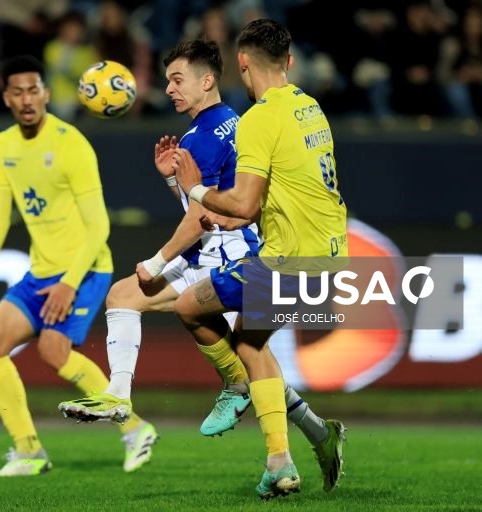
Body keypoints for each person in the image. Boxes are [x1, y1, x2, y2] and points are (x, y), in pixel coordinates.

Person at [58, 39, 345, 491]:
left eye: (177, 80)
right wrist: (175, 180)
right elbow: (205, 205)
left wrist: (155, 260)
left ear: (207, 80)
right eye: (168, 80)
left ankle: (268, 432)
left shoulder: (207, 136)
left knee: (250, 355)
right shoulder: (230, 122)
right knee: (125, 298)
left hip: (232, 253)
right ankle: (120, 394)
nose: (170, 90)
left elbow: (200, 218)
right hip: (229, 248)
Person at [0, 55, 158, 477]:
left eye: (34, 90)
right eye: (17, 92)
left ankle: (134, 428)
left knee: (53, 350)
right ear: (6, 98)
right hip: (41, 273)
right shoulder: (1, 148)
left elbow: (99, 226)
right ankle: (29, 450)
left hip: (86, 268)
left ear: (45, 93)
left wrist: (70, 284)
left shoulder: (70, 143)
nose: (27, 99)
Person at [172, 20, 349, 499]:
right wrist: (234, 221)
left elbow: (246, 202)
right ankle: (293, 453)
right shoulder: (309, 108)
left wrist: (196, 190)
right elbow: (289, 187)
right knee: (252, 344)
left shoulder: (257, 118)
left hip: (288, 263)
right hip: (330, 257)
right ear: (289, 62)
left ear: (243, 64)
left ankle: (236, 389)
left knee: (189, 306)